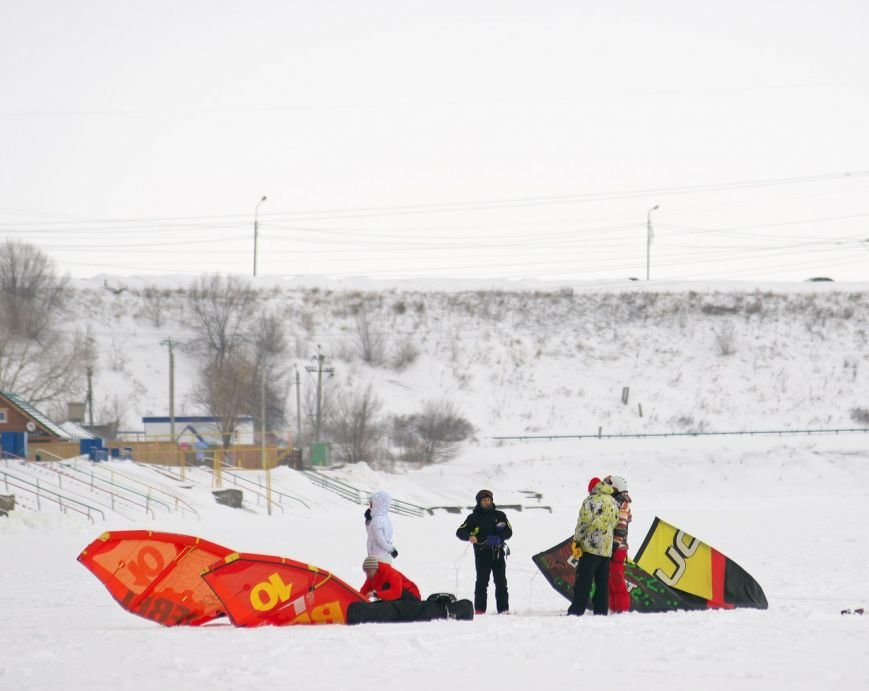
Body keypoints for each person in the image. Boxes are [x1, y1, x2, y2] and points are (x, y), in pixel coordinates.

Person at [347, 556, 474, 624]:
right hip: (395, 598)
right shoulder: (371, 577)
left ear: (375, 568)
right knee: (386, 607)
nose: (367, 575)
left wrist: (376, 594)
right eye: (365, 572)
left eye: (368, 571)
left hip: (410, 596)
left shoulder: (390, 573)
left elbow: (396, 593)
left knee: (395, 607)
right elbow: (362, 592)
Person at [456, 488, 513, 614]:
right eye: (485, 500)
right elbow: (459, 532)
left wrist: (499, 538)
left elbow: (509, 531)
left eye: (489, 500)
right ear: (479, 502)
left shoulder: (500, 515)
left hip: (498, 553)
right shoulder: (473, 518)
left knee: (501, 583)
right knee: (482, 583)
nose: (487, 502)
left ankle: (503, 610)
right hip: (482, 554)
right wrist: (469, 537)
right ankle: (480, 610)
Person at [567, 478, 619, 616]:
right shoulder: (613, 502)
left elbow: (583, 523)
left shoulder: (590, 501)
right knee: (602, 584)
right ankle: (601, 612)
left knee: (583, 582)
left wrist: (576, 540)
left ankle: (576, 611)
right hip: (606, 550)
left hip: (590, 548)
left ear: (592, 489)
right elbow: (615, 523)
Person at [606, 475, 632, 613]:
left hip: (617, 548)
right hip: (611, 547)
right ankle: (614, 607)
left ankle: (622, 609)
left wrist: (615, 544)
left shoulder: (623, 504)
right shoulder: (615, 502)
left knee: (617, 579)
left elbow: (621, 526)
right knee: (611, 580)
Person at [366, 490, 398, 563]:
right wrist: (368, 521)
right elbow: (372, 534)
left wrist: (391, 549)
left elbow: (380, 540)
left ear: (377, 504)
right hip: (382, 556)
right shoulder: (385, 519)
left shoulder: (377, 521)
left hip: (378, 558)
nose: (370, 507)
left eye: (371, 504)